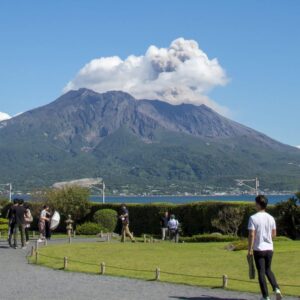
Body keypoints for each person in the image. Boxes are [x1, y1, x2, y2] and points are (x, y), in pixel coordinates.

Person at [248, 195, 282, 300]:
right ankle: (276, 289)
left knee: (261, 273)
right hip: (269, 248)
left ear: (258, 204)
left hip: (259, 249)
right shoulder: (271, 218)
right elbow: (274, 234)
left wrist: (249, 249)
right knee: (268, 270)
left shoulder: (253, 218)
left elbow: (251, 234)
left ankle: (266, 296)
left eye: (255, 203)